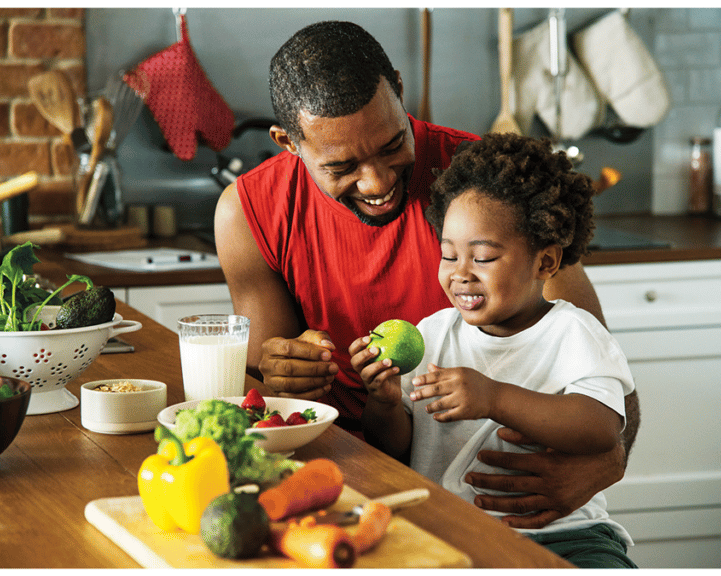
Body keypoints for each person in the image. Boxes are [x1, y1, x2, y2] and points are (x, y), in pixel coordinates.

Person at [214, 19, 641, 530]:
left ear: (398, 87)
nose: (377, 181)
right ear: (288, 143)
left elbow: (607, 378)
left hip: (507, 507)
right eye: (341, 166)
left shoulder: (483, 189)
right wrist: (282, 372)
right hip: (335, 477)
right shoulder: (248, 212)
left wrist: (607, 464)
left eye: (393, 143)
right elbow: (271, 397)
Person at [351, 132, 637, 567]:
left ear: (545, 262)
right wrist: (385, 403)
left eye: (482, 258)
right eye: (449, 255)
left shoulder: (574, 333)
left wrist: (494, 397)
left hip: (564, 535)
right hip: (450, 530)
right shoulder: (433, 334)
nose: (460, 274)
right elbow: (396, 449)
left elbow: (600, 428)